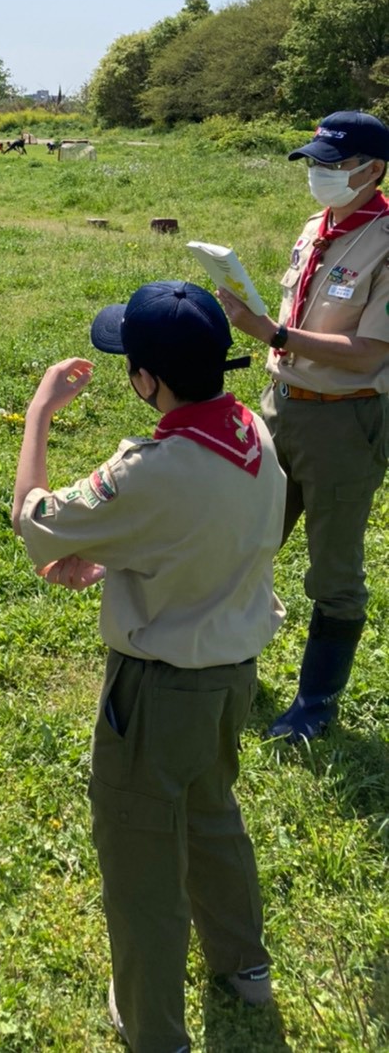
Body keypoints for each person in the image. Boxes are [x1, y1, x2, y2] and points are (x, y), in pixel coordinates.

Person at [12, 281, 284, 1053]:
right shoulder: (254, 434)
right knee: (211, 814)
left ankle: (153, 1028)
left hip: (158, 693)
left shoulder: (150, 469)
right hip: (231, 674)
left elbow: (34, 521)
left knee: (141, 864)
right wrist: (118, 557)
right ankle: (245, 966)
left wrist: (38, 415)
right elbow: (200, 536)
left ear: (145, 380)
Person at [217, 110, 389, 741]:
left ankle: (315, 704)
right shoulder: (318, 225)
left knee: (334, 572)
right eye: (314, 163)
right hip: (281, 405)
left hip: (343, 420)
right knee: (249, 537)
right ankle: (228, 657)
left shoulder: (386, 241)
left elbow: (370, 353)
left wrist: (274, 334)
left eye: (333, 165)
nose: (319, 174)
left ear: (373, 170)